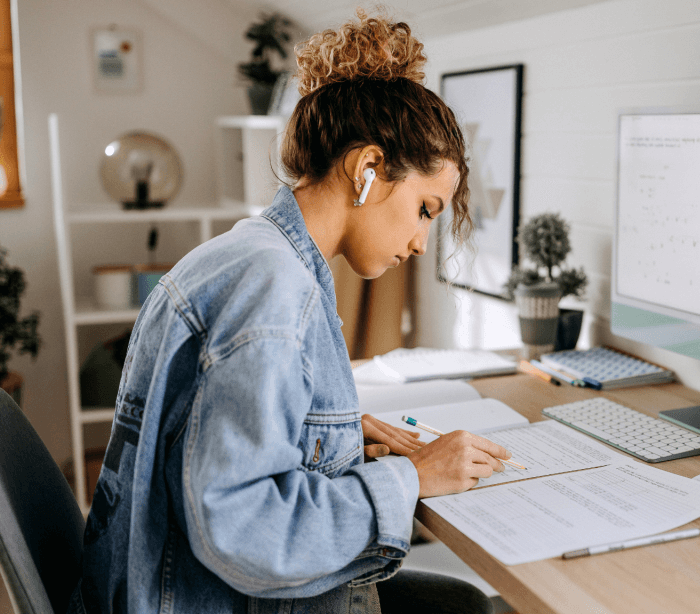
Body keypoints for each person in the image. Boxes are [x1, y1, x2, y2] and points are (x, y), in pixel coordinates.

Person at [72, 12, 507, 614]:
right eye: (425, 210)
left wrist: (325, 438)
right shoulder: (274, 289)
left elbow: (200, 434)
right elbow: (243, 526)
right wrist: (414, 478)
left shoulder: (252, 253)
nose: (419, 243)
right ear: (368, 169)